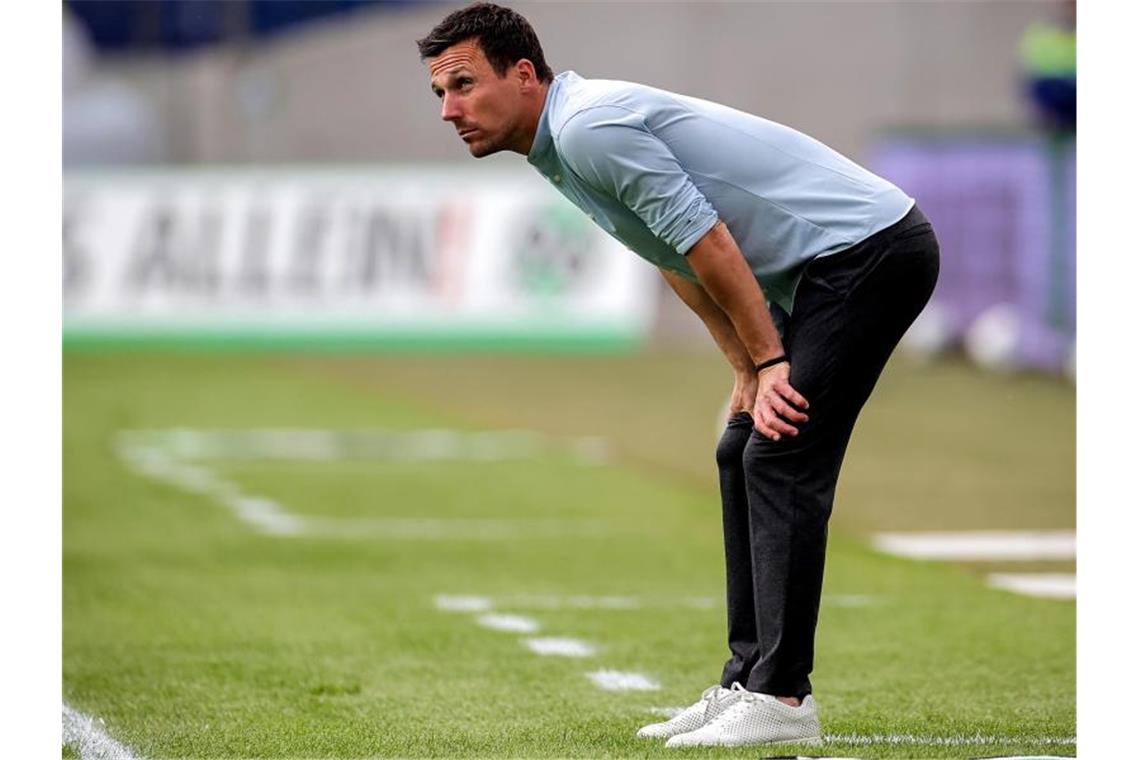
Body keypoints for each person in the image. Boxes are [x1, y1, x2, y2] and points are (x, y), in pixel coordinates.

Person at [416, 2, 939, 748]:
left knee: (781, 449)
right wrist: (743, 369)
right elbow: (671, 255)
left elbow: (707, 238)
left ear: (524, 74)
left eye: (461, 84)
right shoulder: (557, 147)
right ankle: (747, 680)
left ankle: (785, 700)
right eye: (440, 93)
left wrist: (770, 360)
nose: (448, 110)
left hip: (871, 251)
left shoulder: (589, 127)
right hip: (823, 270)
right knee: (739, 446)